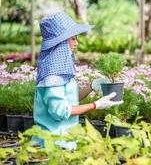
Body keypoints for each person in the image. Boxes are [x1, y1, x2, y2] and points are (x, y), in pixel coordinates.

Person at [33, 12, 123, 149]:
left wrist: (91, 86)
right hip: (52, 146)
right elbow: (61, 112)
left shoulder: (60, 71)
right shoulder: (52, 77)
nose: (76, 43)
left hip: (66, 142)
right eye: (73, 39)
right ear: (61, 43)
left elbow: (69, 100)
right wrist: (95, 105)